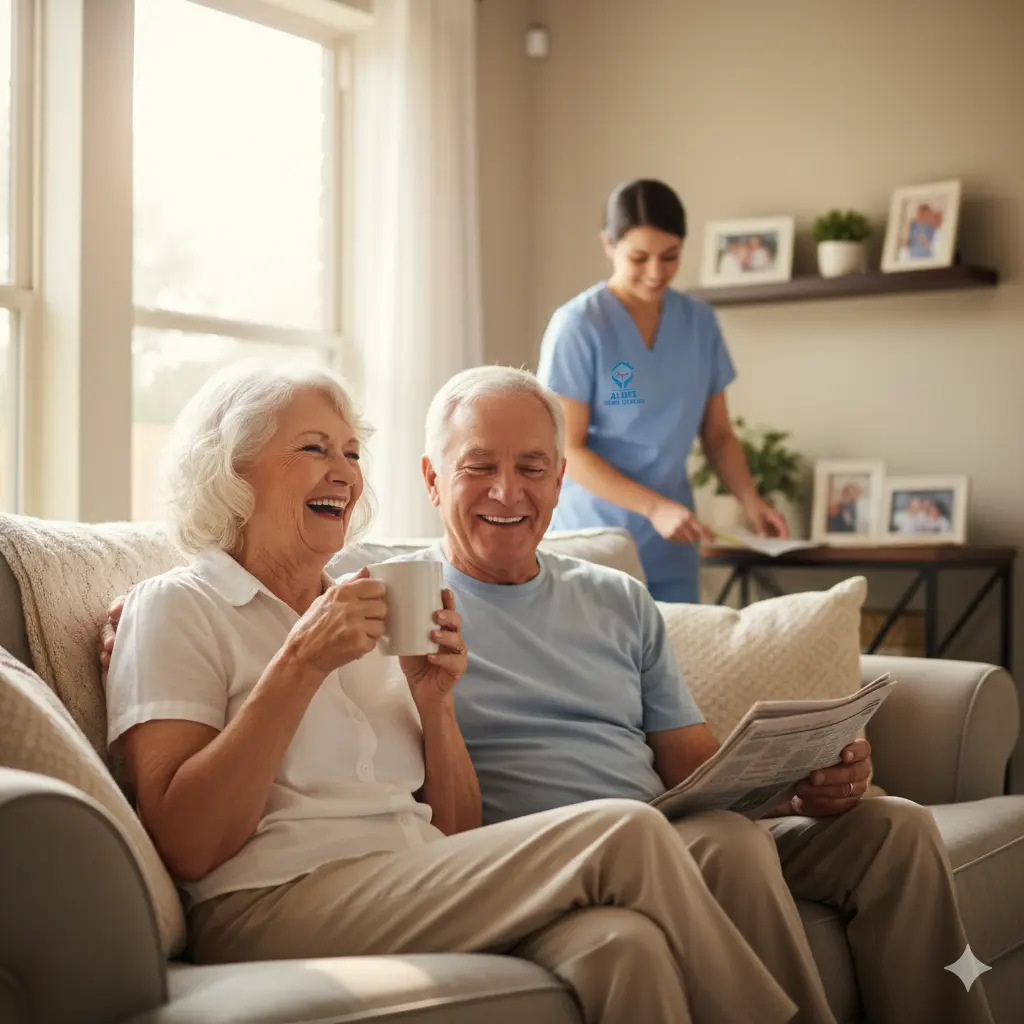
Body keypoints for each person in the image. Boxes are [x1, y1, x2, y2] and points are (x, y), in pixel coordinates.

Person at [101, 360, 802, 1024]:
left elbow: (459, 832)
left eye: (351, 452)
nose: (343, 473)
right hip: (262, 901)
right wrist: (298, 665)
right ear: (231, 471)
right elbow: (188, 845)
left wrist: (436, 705)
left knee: (623, 944)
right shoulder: (176, 608)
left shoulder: (372, 603)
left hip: (410, 875)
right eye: (315, 449)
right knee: (628, 828)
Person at [383, 366, 990, 1024]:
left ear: (560, 480)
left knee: (894, 828)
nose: (508, 491)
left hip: (671, 830)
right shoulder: (407, 606)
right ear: (432, 478)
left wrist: (799, 784)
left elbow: (690, 762)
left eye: (532, 468)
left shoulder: (616, 598)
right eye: (479, 466)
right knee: (728, 842)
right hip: (559, 859)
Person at [537, 178, 787, 604]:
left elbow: (718, 436)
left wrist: (752, 501)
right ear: (608, 246)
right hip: (596, 540)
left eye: (669, 257)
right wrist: (653, 507)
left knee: (675, 663)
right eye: (639, 257)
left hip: (672, 543)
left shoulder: (699, 324)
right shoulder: (580, 325)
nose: (656, 272)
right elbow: (567, 449)